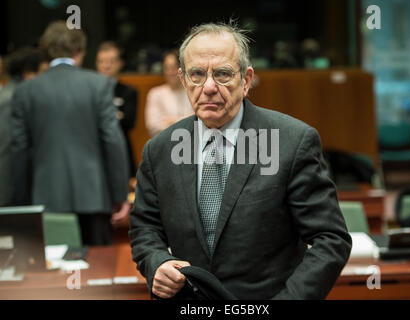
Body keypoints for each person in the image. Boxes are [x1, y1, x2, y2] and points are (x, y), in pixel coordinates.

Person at [129, 21, 352, 300]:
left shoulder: (292, 142)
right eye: (197, 74)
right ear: (183, 80)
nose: (208, 87)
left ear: (246, 80)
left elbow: (330, 240)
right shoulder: (159, 150)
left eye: (222, 74)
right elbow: (145, 228)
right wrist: (156, 262)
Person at [11, 21, 130, 246]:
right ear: (79, 51)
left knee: (52, 278)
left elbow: (19, 150)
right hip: (94, 196)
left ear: (46, 52)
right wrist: (119, 195)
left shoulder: (25, 91)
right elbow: (112, 140)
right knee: (97, 274)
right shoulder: (99, 85)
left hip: (46, 199)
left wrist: (22, 204)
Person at [0, 47, 47, 206]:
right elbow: (8, 149)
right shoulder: (11, 99)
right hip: (10, 191)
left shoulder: (13, 94)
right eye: (42, 72)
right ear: (28, 73)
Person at [96, 41, 138, 177]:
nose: (106, 66)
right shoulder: (89, 92)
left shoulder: (129, 91)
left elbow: (129, 122)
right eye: (102, 61)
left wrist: (101, 117)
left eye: (111, 61)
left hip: (122, 149)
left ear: (120, 63)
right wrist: (116, 115)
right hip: (95, 151)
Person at [144, 49, 193, 137]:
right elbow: (153, 126)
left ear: (181, 69)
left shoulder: (192, 91)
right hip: (162, 144)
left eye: (174, 68)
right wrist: (184, 121)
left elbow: (196, 122)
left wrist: (171, 121)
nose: (171, 72)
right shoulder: (155, 94)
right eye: (167, 68)